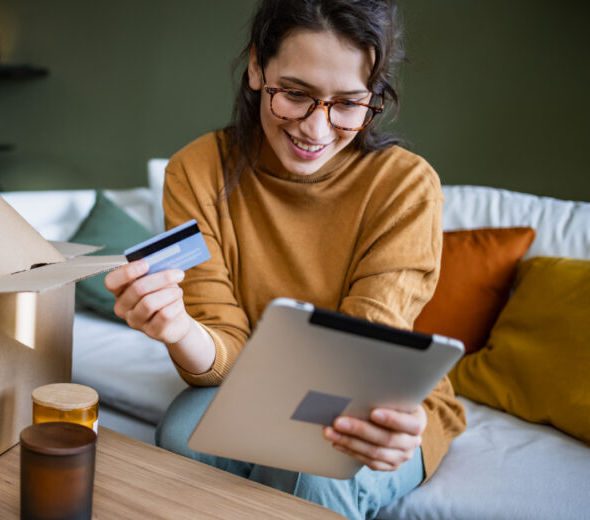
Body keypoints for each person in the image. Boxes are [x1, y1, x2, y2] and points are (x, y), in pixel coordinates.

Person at [104, 0, 466, 518]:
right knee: (185, 433)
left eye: (347, 104)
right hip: (250, 376)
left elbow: (363, 359)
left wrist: (370, 421)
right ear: (257, 68)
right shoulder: (197, 171)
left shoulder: (405, 185)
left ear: (374, 95)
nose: (315, 132)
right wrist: (179, 328)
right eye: (294, 95)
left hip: (361, 388)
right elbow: (219, 341)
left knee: (311, 463)